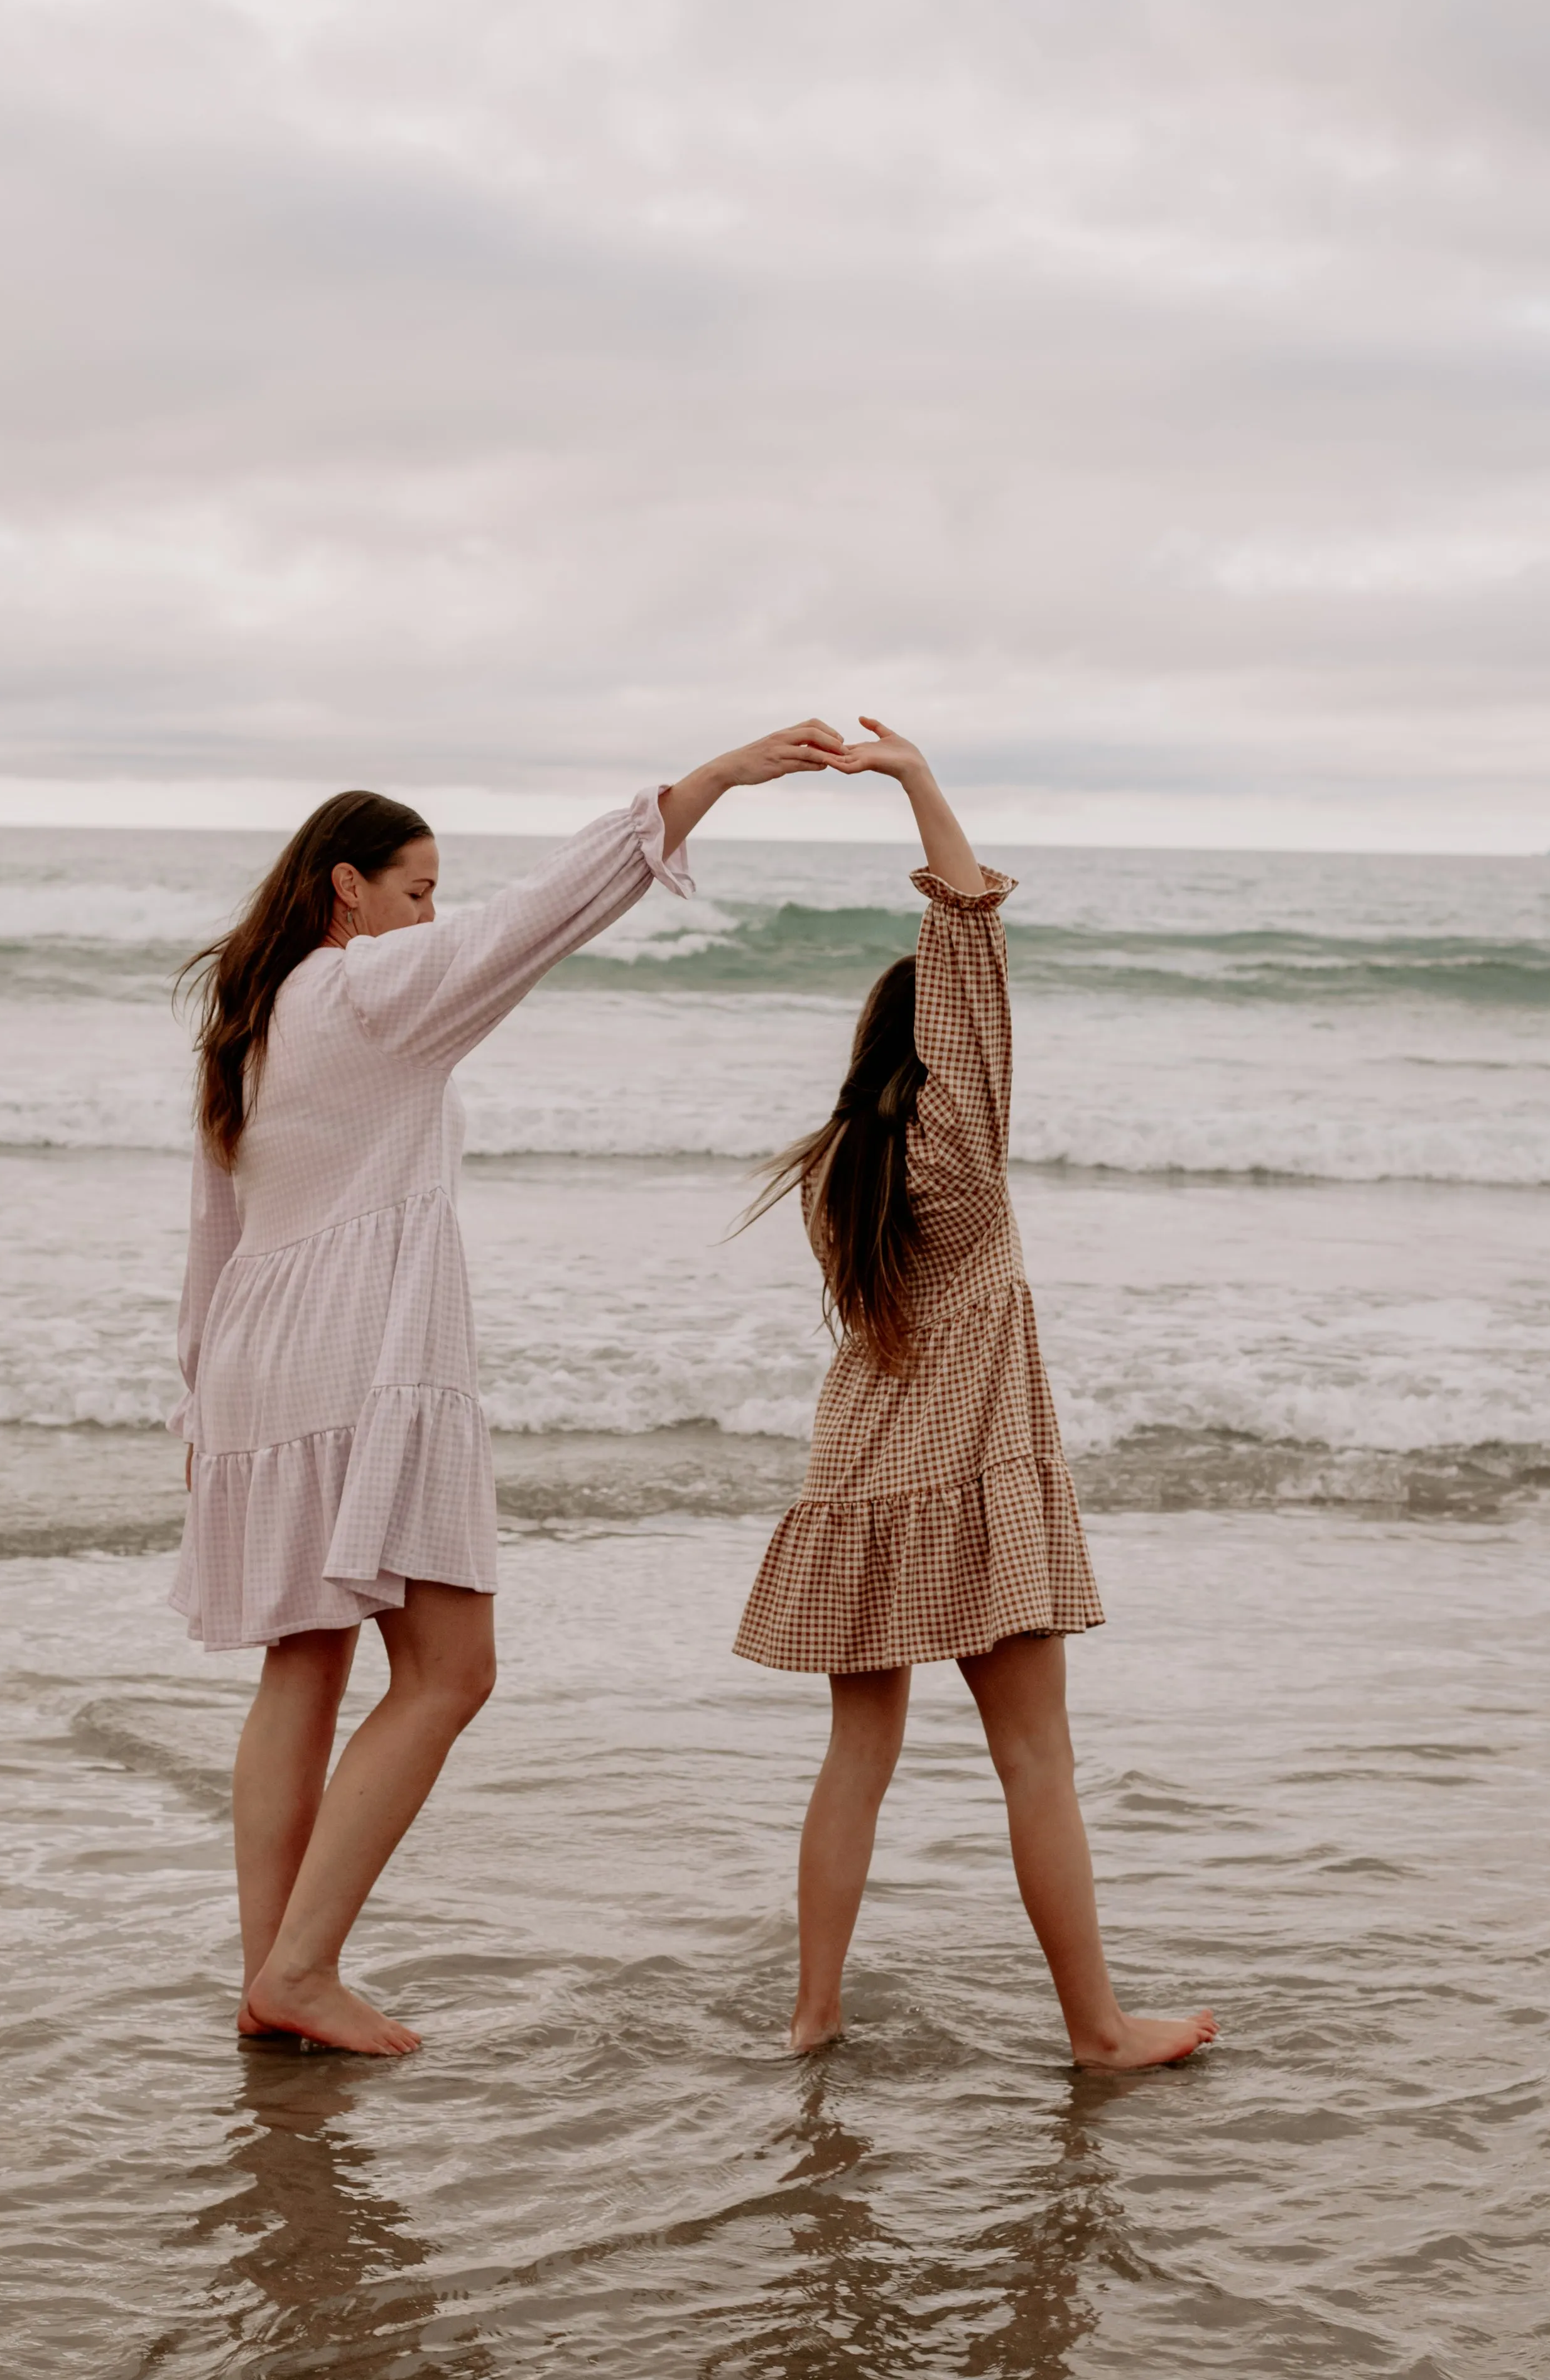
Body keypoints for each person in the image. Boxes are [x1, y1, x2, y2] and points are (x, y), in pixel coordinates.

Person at [175, 725, 843, 2055]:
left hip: (258, 1356)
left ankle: (272, 1977)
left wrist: (200, 1406)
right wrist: (694, 791)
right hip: (363, 1347)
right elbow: (537, 920)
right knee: (449, 1670)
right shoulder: (369, 990)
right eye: (415, 888)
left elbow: (213, 1235)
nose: (431, 915)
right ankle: (303, 1969)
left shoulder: (247, 1027)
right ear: (345, 888)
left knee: (299, 1667)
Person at [736, 719, 1217, 2068]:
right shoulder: (964, 1138)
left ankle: (811, 2013)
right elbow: (967, 933)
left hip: (856, 1471)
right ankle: (1099, 2031)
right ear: (953, 1046)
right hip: (969, 1474)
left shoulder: (851, 1162)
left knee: (856, 1755)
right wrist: (915, 780)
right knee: (1035, 1763)